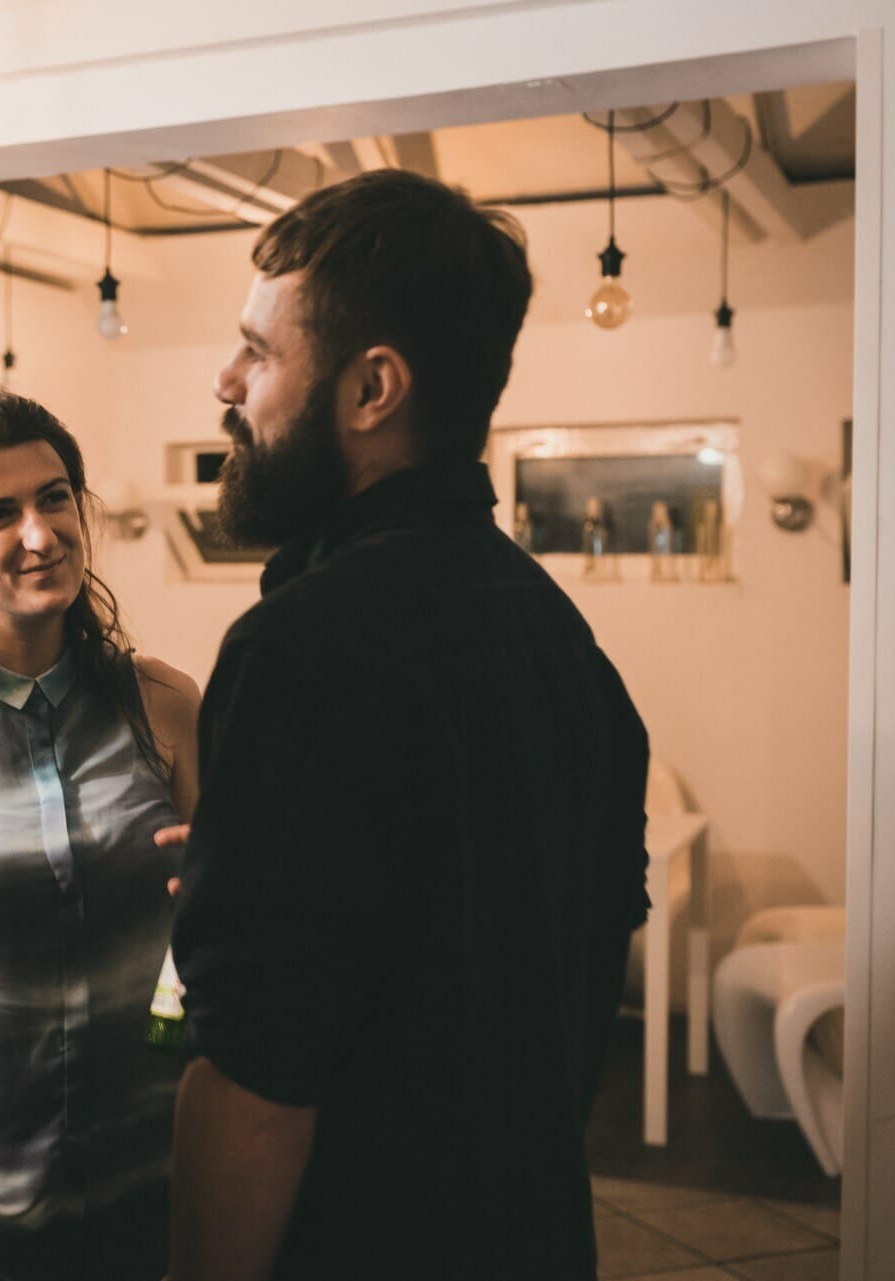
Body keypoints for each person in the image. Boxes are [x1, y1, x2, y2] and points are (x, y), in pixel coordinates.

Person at [165, 170, 651, 1281]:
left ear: (372, 388)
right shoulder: (564, 643)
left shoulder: (302, 649)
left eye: (259, 351)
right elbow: (533, 956)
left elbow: (258, 1078)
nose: (225, 380)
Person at [0, 389, 201, 1281]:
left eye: (55, 498)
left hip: (158, 1191)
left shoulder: (163, 706)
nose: (40, 532)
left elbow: (220, 930)